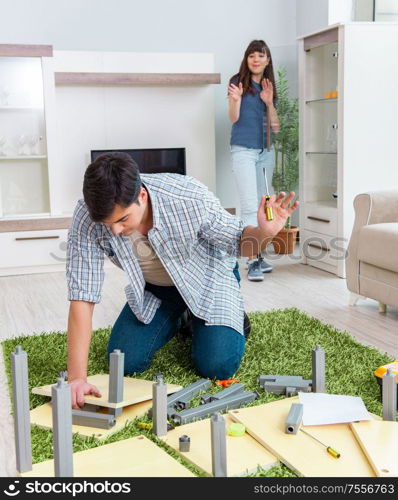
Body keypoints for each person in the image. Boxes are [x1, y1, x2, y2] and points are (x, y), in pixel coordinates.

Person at [66, 152, 298, 408]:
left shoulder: (187, 195)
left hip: (208, 279)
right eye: (106, 223)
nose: (115, 231)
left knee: (216, 366)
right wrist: (76, 379)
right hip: (156, 290)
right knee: (123, 361)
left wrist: (265, 231)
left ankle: (225, 314)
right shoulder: (86, 217)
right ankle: (183, 317)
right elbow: (82, 295)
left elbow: (238, 243)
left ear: (142, 196)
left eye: (122, 220)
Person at [228, 39, 280, 282]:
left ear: (267, 60)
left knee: (265, 206)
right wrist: (236, 99)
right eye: (251, 55)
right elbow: (233, 117)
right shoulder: (237, 81)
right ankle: (251, 259)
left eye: (260, 55)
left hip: (265, 151)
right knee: (249, 206)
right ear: (246, 59)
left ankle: (259, 255)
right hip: (243, 151)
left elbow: (276, 128)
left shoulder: (269, 86)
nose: (256, 59)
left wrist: (269, 102)